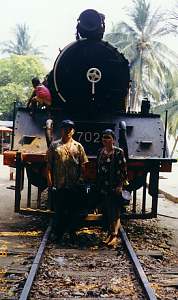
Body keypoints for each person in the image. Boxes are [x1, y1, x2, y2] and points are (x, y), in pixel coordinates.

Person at [47, 119, 88, 240]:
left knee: (72, 209)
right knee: (59, 209)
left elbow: (83, 165)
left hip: (74, 184)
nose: (67, 131)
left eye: (70, 129)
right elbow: (49, 165)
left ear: (73, 131)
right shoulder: (54, 146)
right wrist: (50, 182)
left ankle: (71, 232)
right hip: (59, 183)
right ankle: (58, 233)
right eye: (65, 129)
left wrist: (80, 180)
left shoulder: (78, 146)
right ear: (62, 130)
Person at [97, 129, 128, 247]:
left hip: (114, 186)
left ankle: (115, 236)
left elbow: (123, 170)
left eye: (108, 137)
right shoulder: (101, 152)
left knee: (115, 211)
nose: (105, 139)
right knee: (107, 211)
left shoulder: (119, 152)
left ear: (113, 140)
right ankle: (110, 234)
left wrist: (120, 185)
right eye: (104, 137)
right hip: (104, 186)